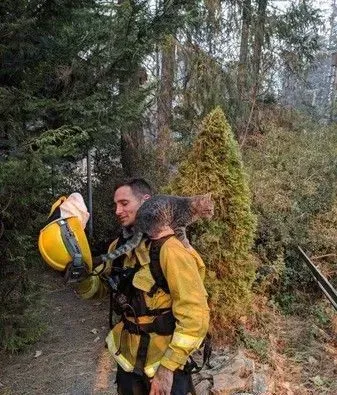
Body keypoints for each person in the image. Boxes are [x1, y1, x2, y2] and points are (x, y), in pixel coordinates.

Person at [77, 178, 210, 395]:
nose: (118, 210)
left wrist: (167, 369)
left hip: (165, 367)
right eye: (115, 205)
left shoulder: (170, 249)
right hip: (129, 365)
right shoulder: (119, 247)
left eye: (124, 203)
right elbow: (101, 289)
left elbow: (195, 316)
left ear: (146, 202)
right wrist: (80, 277)